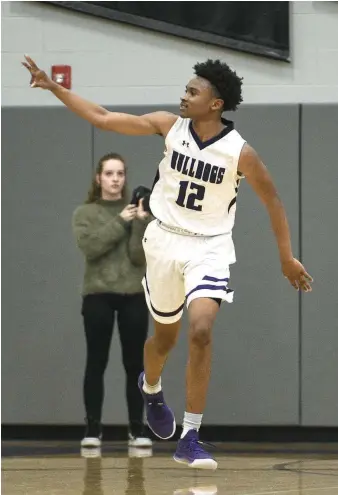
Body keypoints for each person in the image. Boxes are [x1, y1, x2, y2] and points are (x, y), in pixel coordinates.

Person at [22, 56, 313, 470]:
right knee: (163, 341)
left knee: (201, 331)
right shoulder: (168, 125)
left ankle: (190, 435)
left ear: (215, 104)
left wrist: (286, 257)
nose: (184, 94)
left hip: (209, 247)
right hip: (163, 243)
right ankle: (152, 388)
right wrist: (56, 88)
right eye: (186, 88)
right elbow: (103, 117)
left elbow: (274, 201)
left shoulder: (240, 153)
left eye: (193, 91)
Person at [72, 152, 152, 449]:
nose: (115, 179)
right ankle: (93, 429)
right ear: (99, 178)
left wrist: (141, 223)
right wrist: (120, 221)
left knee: (135, 364)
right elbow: (91, 248)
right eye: (109, 174)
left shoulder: (137, 211)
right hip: (97, 295)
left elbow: (138, 257)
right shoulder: (85, 213)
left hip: (133, 294)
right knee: (97, 361)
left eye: (120, 174)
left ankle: (137, 429)